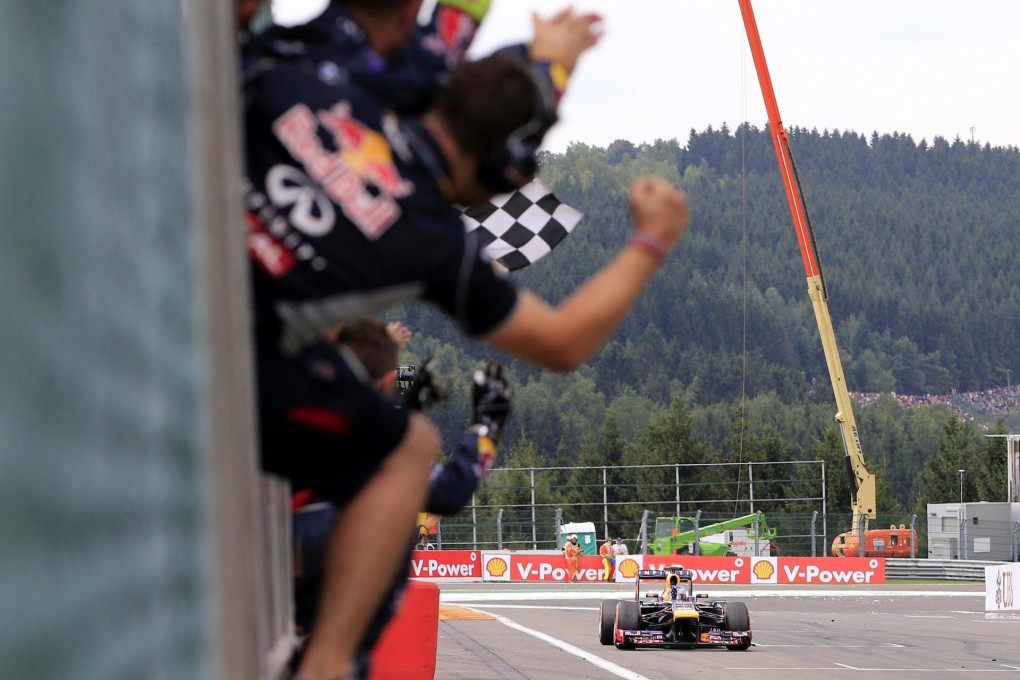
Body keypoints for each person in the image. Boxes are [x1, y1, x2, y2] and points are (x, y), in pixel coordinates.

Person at [244, 10, 688, 680]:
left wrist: (546, 62)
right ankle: (328, 663)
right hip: (229, 362)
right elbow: (564, 342)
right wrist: (650, 240)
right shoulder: (432, 241)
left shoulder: (331, 76)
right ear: (503, 174)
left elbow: (429, 33)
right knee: (409, 451)